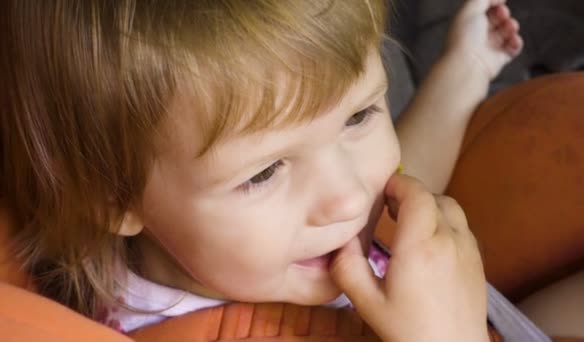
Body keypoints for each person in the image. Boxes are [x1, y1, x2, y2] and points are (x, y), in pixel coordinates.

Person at [1, 0, 537, 340]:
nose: (349, 198)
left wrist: (465, 70)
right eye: (263, 173)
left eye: (359, 115)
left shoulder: (293, 233)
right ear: (112, 197)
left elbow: (410, 178)